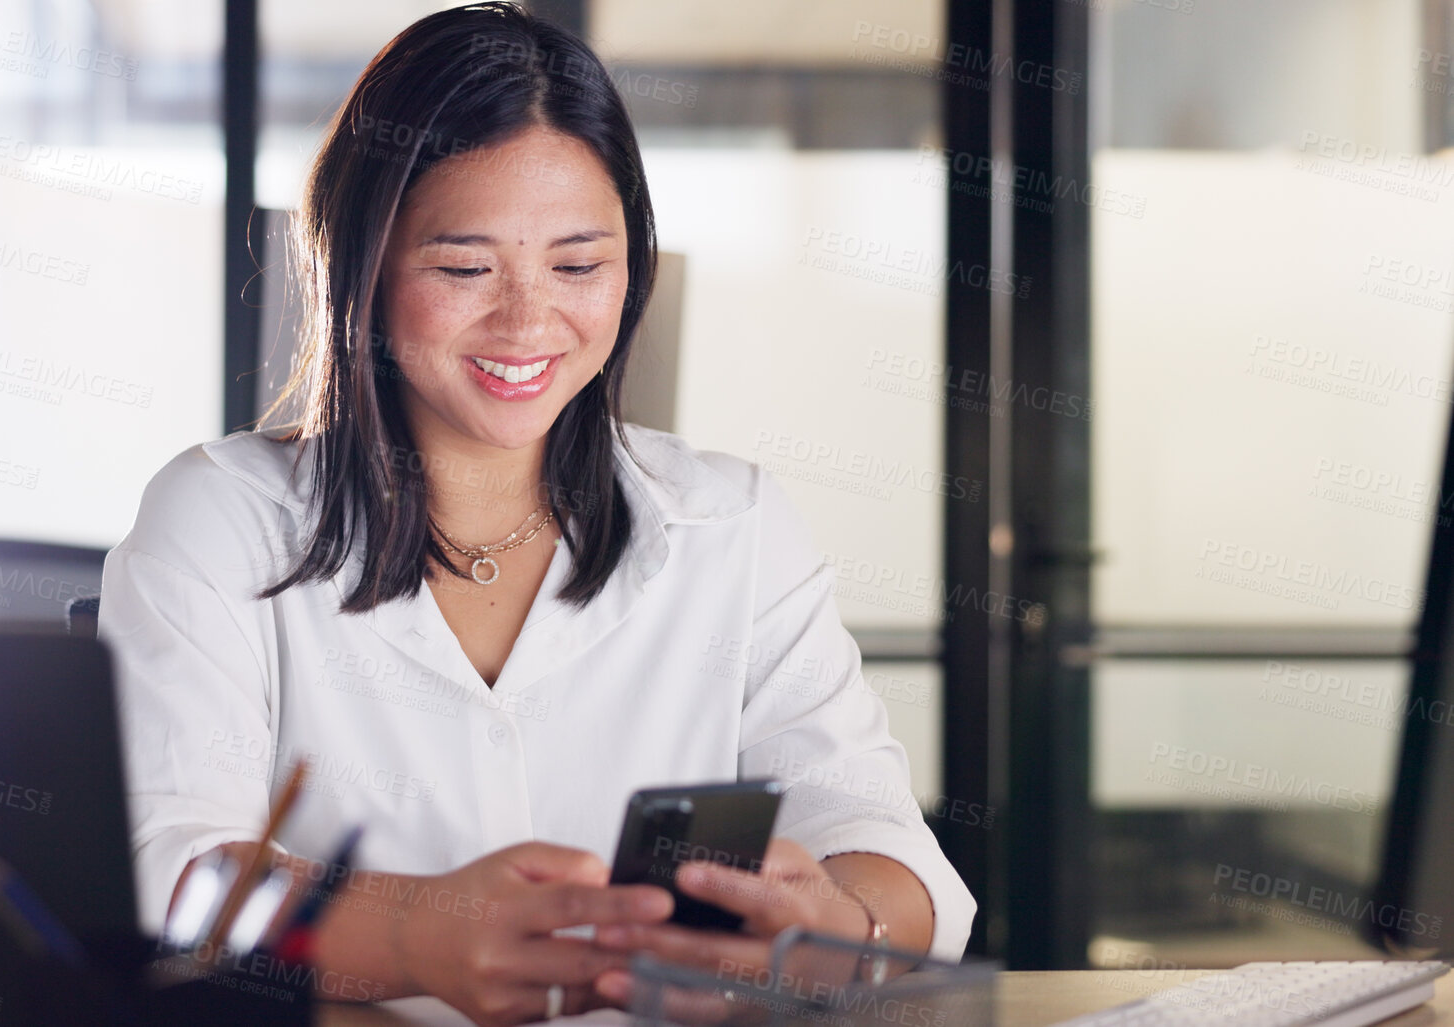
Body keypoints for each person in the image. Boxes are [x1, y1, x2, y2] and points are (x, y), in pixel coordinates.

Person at [99, 3, 974, 1023]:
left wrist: (836, 927)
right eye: (464, 267)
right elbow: (168, 878)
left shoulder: (730, 524)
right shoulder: (220, 519)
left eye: (578, 265)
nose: (527, 320)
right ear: (362, 265)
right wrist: (413, 932)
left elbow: (891, 853)